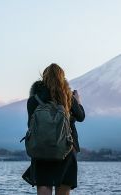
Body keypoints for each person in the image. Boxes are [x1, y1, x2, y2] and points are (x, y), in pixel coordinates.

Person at [22, 63, 85, 195]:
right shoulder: (68, 98)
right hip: (66, 148)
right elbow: (80, 117)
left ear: (43, 78)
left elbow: (30, 125)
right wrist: (78, 102)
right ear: (62, 78)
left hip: (41, 150)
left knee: (44, 186)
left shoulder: (34, 100)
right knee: (63, 188)